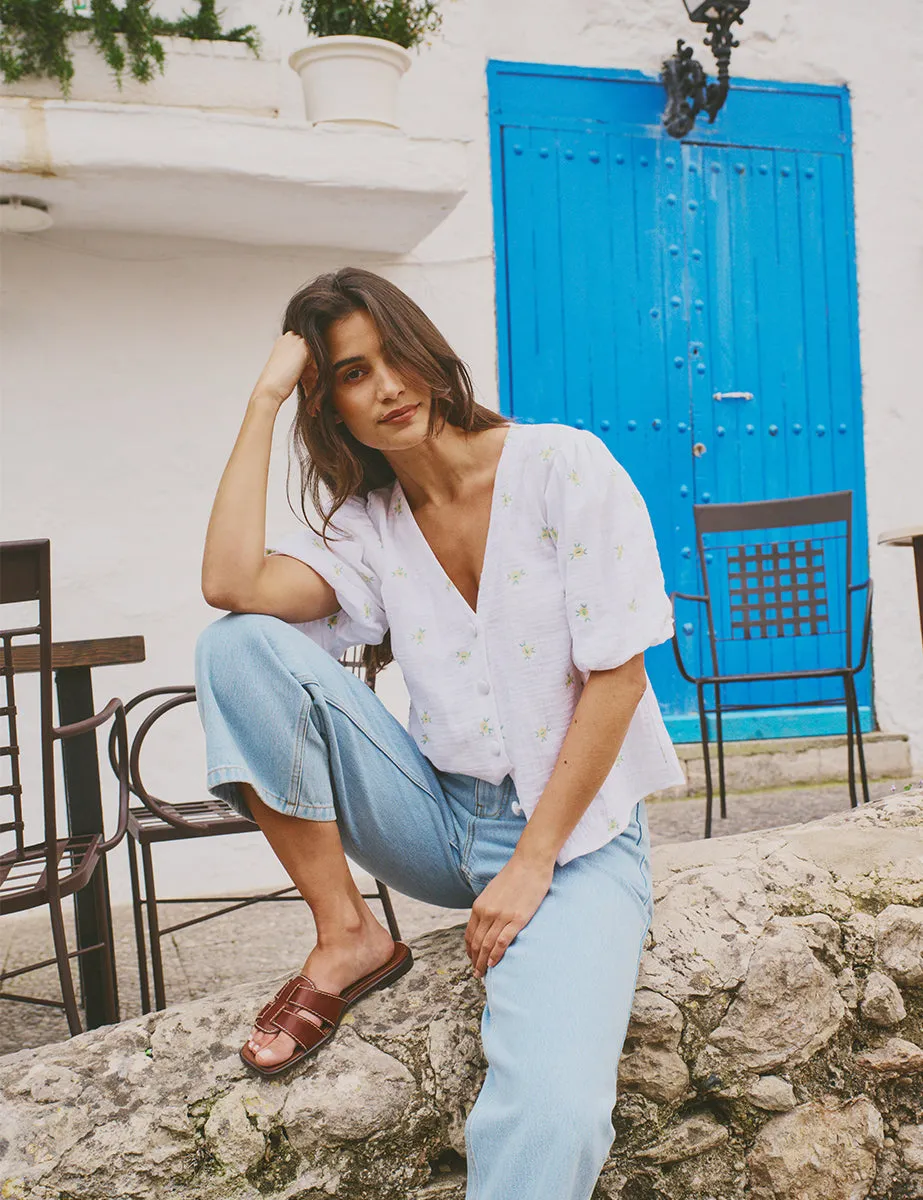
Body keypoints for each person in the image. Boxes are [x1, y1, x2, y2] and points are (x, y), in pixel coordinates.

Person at [195, 266, 685, 1199]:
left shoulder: (560, 466)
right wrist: (262, 399)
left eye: (392, 358)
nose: (385, 388)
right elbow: (234, 587)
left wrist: (533, 861)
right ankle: (348, 934)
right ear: (327, 406)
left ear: (428, 354)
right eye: (348, 374)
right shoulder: (370, 526)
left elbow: (619, 675)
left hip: (572, 842)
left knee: (553, 1108)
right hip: (432, 815)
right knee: (236, 647)